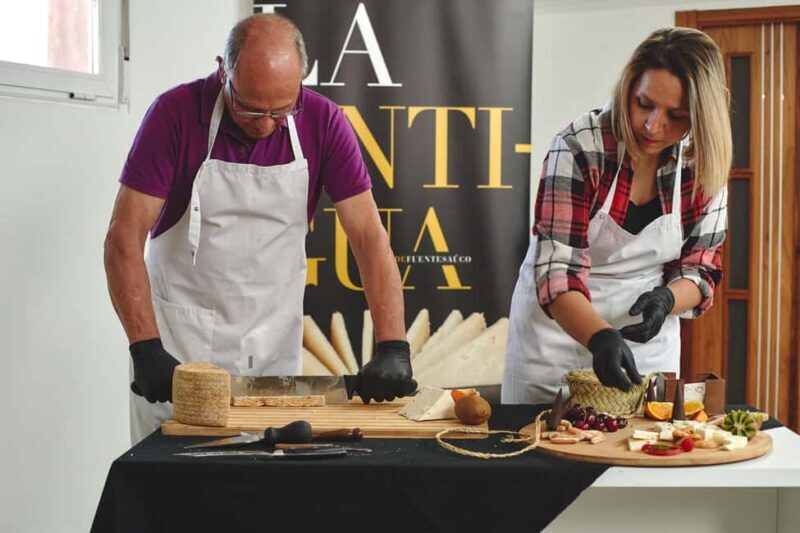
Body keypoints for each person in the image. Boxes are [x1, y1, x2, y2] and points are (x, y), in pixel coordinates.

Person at [104, 14, 416, 443]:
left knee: (267, 495)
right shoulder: (174, 115)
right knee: (174, 497)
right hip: (182, 354)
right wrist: (145, 347)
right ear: (222, 70)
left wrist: (392, 344)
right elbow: (123, 236)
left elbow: (367, 236)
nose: (266, 124)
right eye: (250, 108)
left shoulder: (324, 122)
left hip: (273, 353)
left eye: (281, 110)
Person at [502, 27, 731, 405]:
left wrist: (666, 300)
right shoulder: (581, 146)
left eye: (676, 115)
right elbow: (557, 269)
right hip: (553, 340)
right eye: (644, 104)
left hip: (643, 345)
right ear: (627, 88)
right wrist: (598, 335)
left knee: (638, 453)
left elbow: (700, 267)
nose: (653, 126)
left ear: (699, 117)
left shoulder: (702, 162)